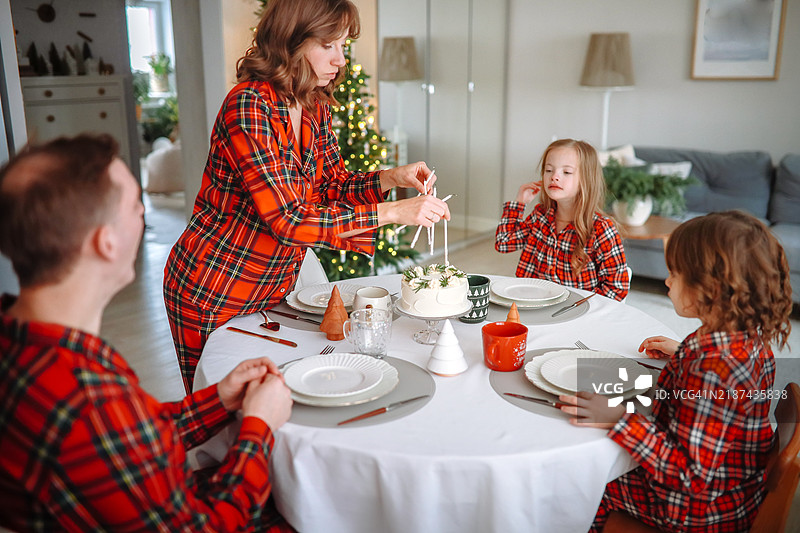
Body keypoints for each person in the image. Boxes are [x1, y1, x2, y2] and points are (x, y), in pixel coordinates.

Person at [0, 134, 294, 532]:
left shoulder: (25, 340)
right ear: (106, 242)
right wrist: (258, 427)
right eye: (136, 205)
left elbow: (126, 444)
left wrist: (217, 400)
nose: (143, 214)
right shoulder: (89, 400)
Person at [163, 0, 449, 393]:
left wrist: (388, 178)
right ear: (292, 41)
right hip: (216, 287)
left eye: (343, 45)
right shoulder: (250, 106)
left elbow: (331, 188)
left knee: (276, 402)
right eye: (329, 45)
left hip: (272, 285)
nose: (340, 59)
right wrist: (394, 211)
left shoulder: (312, 106)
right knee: (221, 414)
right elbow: (289, 218)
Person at [559, 211, 793, 532]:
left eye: (675, 273)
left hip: (695, 509)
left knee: (576, 486)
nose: (667, 281)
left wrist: (617, 419)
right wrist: (682, 353)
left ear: (709, 289)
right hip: (731, 484)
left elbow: (688, 476)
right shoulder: (743, 336)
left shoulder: (713, 369)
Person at [494, 138, 629, 301]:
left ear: (586, 180)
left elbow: (617, 289)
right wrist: (519, 203)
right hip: (533, 304)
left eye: (566, 172)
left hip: (576, 314)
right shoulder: (540, 217)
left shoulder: (601, 229)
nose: (554, 177)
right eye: (549, 170)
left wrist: (580, 307)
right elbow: (503, 243)